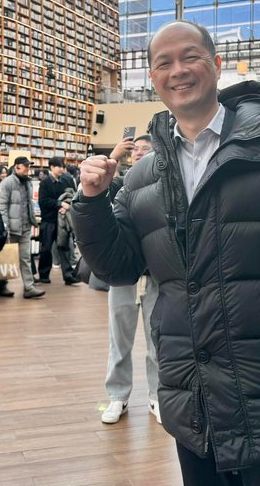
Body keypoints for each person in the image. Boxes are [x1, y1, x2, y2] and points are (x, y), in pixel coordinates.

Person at [73, 20, 260, 486]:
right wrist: (91, 203)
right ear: (153, 80)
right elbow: (118, 266)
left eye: (190, 56)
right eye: (163, 63)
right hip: (194, 405)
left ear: (216, 65)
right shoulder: (143, 176)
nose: (178, 71)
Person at [100, 134, 161, 426]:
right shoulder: (117, 183)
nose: (138, 154)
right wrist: (112, 158)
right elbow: (89, 196)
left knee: (158, 338)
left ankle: (157, 395)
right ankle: (118, 396)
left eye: (145, 150)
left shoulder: (162, 184)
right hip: (124, 273)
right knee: (119, 338)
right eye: (134, 150)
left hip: (156, 272)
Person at [0, 157, 45, 299]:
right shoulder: (7, 183)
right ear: (17, 167)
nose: (28, 169)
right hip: (11, 227)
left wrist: (32, 220)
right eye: (25, 166)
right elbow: (2, 205)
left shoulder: (28, 182)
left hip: (25, 226)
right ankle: (1, 286)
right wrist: (5, 225)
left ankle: (29, 287)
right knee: (6, 257)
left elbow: (29, 203)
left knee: (25, 257)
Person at [37, 156, 79, 285]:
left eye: (63, 166)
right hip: (49, 220)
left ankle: (68, 275)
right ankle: (44, 275)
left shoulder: (66, 180)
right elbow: (43, 201)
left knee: (64, 247)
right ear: (52, 167)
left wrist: (66, 206)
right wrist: (60, 204)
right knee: (46, 248)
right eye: (59, 166)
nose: (62, 169)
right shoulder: (45, 183)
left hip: (62, 219)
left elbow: (72, 195)